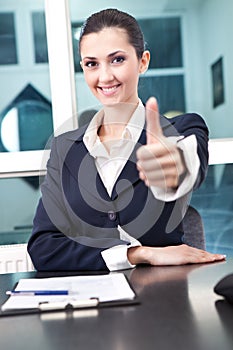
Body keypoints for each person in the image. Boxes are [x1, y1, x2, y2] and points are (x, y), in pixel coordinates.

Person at [27, 8, 225, 271]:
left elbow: (189, 162)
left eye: (117, 59)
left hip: (163, 297)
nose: (105, 76)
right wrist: (137, 254)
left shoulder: (180, 129)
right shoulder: (64, 148)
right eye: (91, 64)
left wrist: (175, 168)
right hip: (90, 296)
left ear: (142, 62)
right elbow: (44, 247)